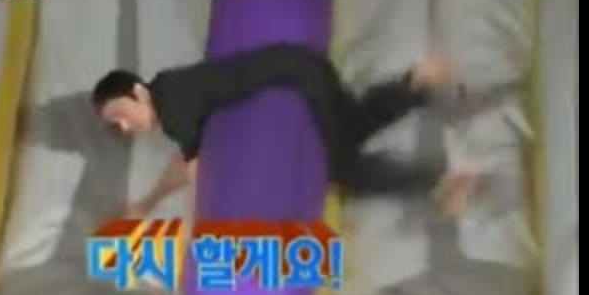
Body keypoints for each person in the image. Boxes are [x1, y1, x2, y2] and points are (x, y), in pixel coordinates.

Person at [92, 43, 478, 219]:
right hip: (302, 63)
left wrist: (195, 251)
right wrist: (147, 203)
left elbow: (198, 179)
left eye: (121, 114)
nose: (125, 127)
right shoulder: (169, 87)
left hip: (298, 83)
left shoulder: (174, 110)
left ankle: (439, 182)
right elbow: (186, 160)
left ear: (138, 92)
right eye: (116, 126)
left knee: (339, 169)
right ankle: (416, 85)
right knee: (352, 125)